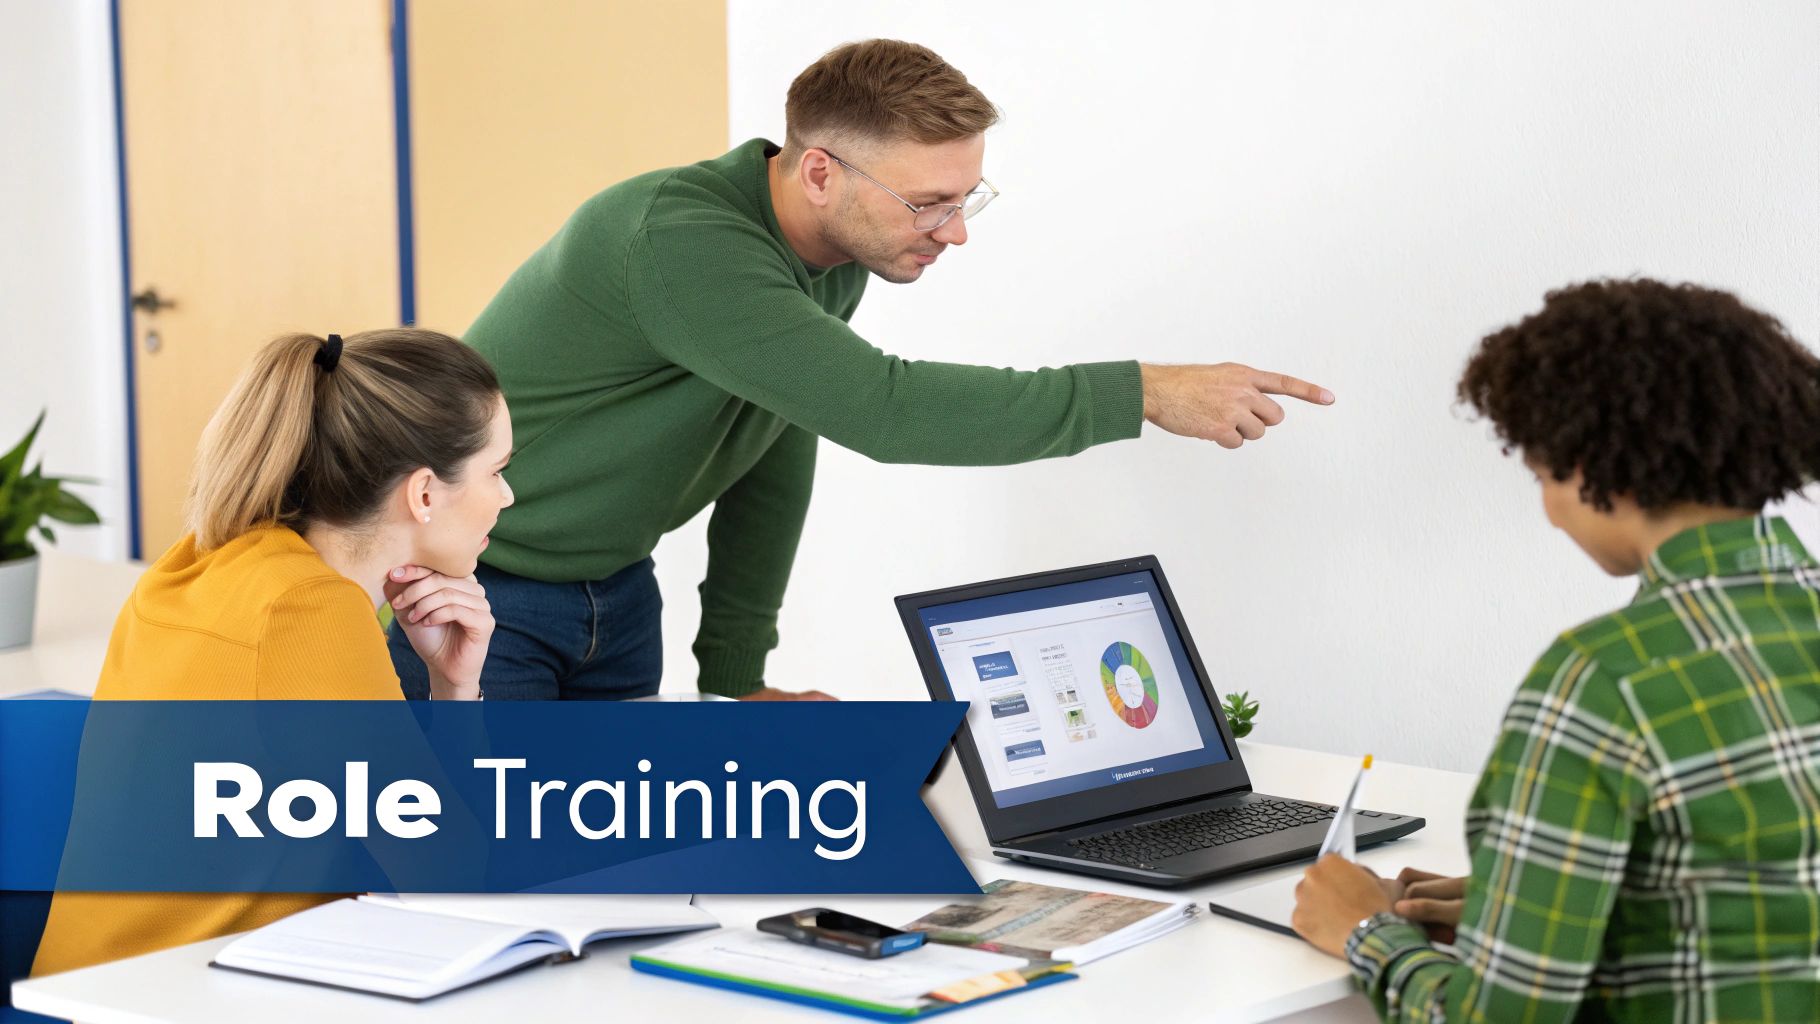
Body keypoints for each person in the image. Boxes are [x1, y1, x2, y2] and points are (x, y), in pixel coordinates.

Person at [389, 38, 1336, 704]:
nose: (954, 232)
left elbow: (773, 455)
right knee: (483, 894)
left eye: (968, 200)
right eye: (929, 204)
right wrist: (1145, 391)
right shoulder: (684, 243)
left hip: (614, 593)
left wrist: (736, 675)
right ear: (818, 174)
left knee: (603, 891)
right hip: (472, 597)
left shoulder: (828, 258)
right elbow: (885, 412)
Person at [1290, 279, 1820, 1022]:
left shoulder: (1605, 682)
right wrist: (1515, 907)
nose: (1548, 512)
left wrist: (1364, 930)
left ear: (1597, 465)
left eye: (1542, 475)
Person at [32, 329, 512, 975]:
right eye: (498, 471)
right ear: (424, 493)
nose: (508, 497)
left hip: (90, 990)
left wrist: (448, 678)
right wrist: (458, 695)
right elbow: (454, 880)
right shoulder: (307, 613)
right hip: (168, 1002)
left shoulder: (207, 560)